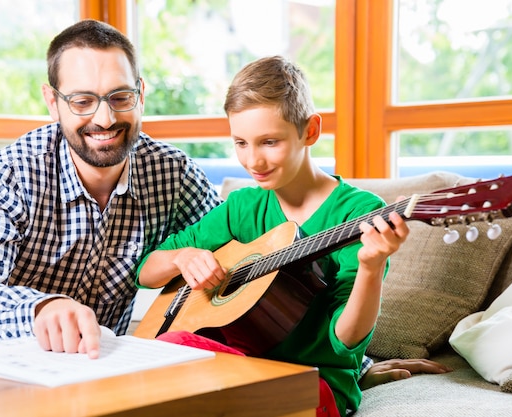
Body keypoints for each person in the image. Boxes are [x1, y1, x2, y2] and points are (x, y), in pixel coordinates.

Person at [135, 55, 411, 417]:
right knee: (159, 357)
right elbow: (145, 272)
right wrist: (180, 257)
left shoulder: (357, 213)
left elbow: (344, 343)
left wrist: (371, 268)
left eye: (268, 142)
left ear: (309, 131)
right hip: (236, 367)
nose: (253, 161)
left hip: (313, 385)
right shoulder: (242, 207)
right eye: (241, 143)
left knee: (172, 351)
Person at [0, 19, 222, 359]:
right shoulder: (12, 173)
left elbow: (233, 248)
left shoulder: (172, 173)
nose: (104, 118)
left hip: (108, 369)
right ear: (52, 101)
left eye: (120, 97)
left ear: (141, 95)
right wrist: (41, 308)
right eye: (82, 101)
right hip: (11, 371)